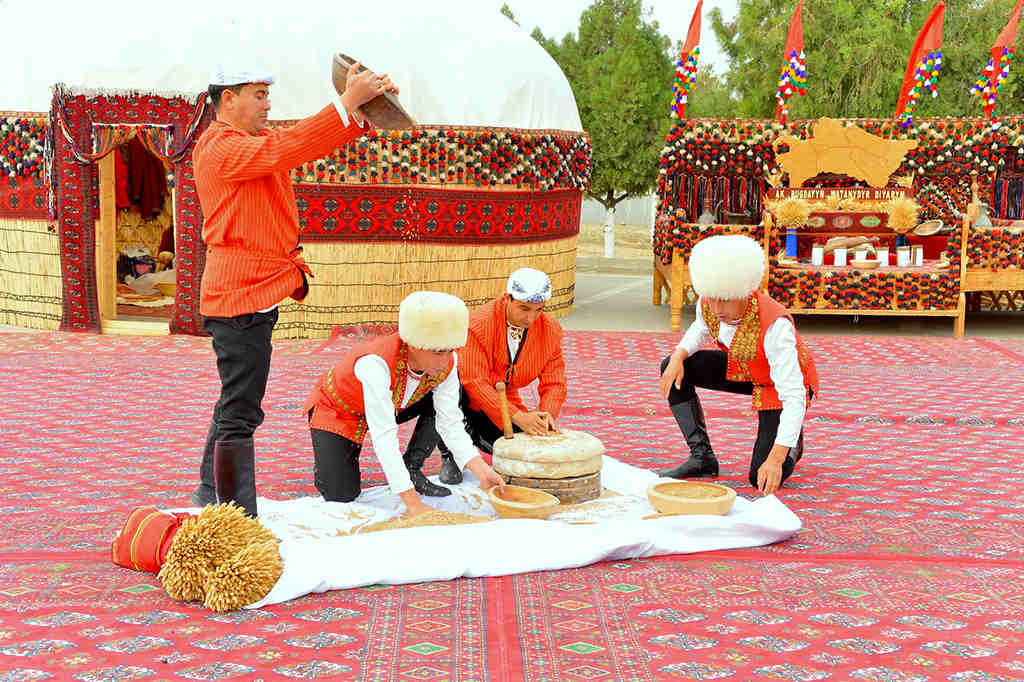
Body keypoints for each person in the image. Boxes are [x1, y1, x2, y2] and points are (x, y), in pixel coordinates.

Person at [190, 61, 396, 516]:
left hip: (251, 290)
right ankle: (234, 510)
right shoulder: (219, 149)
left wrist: (362, 110)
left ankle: (210, 491)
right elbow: (291, 145)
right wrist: (345, 102)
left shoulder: (247, 143)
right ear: (229, 98)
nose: (268, 103)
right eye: (259, 94)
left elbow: (294, 143)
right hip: (238, 292)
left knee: (236, 398)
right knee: (241, 410)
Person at [304, 291, 505, 516]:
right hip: (340, 410)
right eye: (438, 352)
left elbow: (450, 423)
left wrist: (481, 470)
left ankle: (412, 466)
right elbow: (385, 437)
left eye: (451, 350)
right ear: (412, 343)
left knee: (451, 397)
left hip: (394, 402)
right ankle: (329, 460)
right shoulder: (375, 363)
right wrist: (413, 503)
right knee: (341, 495)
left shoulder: (447, 361)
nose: (446, 360)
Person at [657, 234, 819, 495]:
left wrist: (777, 457)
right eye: (712, 298)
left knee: (760, 477)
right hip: (744, 366)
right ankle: (702, 458)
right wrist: (678, 355)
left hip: (780, 385)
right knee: (672, 367)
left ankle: (793, 443)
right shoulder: (709, 300)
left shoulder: (775, 325)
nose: (717, 308)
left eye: (726, 299)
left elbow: (794, 395)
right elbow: (700, 328)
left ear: (744, 291)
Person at [436, 268, 567, 484]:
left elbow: (555, 382)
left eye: (539, 310)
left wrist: (547, 414)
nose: (530, 318)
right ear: (507, 298)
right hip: (466, 395)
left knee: (516, 446)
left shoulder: (550, 330)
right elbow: (474, 381)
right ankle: (450, 453)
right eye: (524, 308)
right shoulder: (478, 324)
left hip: (505, 399)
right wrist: (518, 416)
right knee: (448, 389)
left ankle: (471, 439)